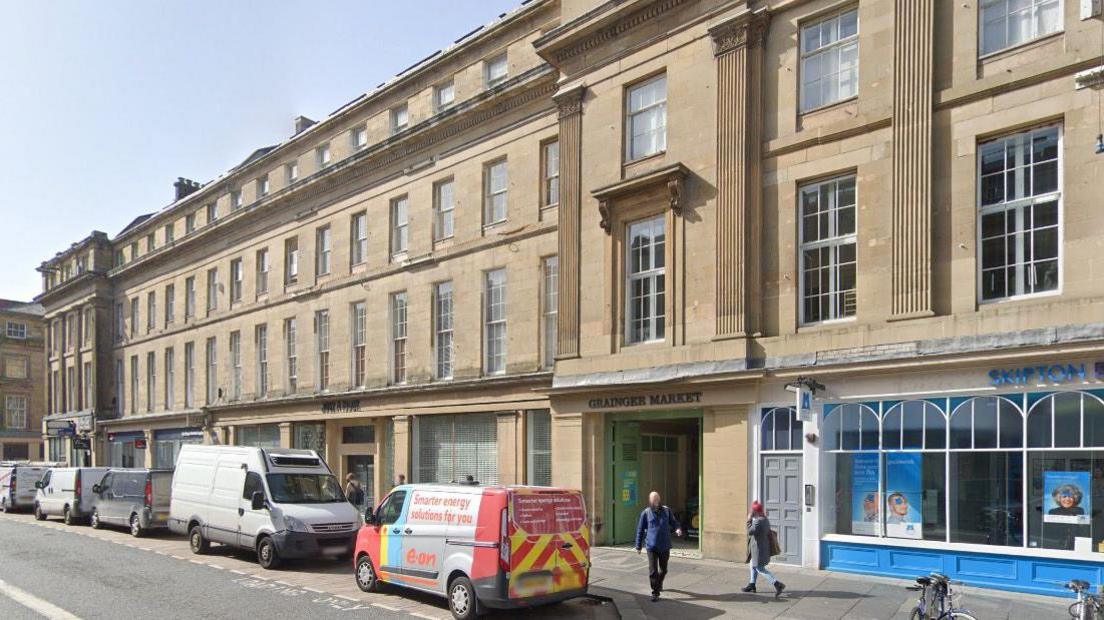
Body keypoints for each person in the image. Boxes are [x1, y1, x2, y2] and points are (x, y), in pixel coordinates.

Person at [634, 491, 682, 602]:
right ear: (650, 501)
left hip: (665, 545)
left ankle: (659, 583)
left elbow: (674, 522)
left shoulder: (666, 511)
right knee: (653, 571)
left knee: (664, 570)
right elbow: (640, 529)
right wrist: (638, 546)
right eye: (653, 500)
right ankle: (655, 592)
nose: (655, 502)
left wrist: (677, 528)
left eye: (657, 499)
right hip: (651, 546)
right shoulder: (645, 513)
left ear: (659, 500)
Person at [742, 501, 785, 596]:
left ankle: (777, 584)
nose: (751, 511)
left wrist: (749, 520)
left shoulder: (757, 521)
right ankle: (752, 584)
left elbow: (750, 531)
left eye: (752, 510)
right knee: (752, 565)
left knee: (759, 568)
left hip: (758, 549)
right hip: (762, 547)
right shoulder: (765, 519)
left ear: (755, 511)